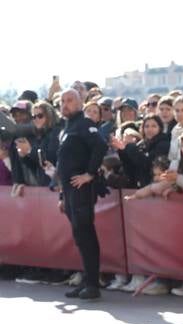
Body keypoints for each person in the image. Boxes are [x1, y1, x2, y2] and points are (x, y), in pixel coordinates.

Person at [57, 88, 107, 301]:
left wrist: (90, 174)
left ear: (80, 103)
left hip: (82, 189)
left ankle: (92, 284)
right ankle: (87, 281)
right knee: (79, 236)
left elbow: (100, 145)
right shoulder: (66, 127)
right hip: (69, 190)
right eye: (62, 101)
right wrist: (62, 195)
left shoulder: (84, 124)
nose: (65, 104)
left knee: (86, 235)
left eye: (70, 100)